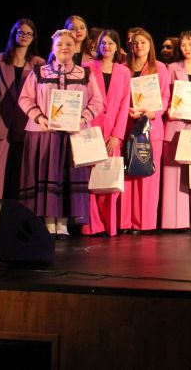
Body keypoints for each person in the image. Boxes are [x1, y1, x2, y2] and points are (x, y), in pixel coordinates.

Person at [18, 29, 104, 236]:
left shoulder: (84, 74)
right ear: (52, 48)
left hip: (73, 135)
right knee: (47, 175)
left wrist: (82, 118)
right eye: (60, 44)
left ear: (75, 48)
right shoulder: (39, 72)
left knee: (67, 177)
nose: (64, 47)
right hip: (44, 134)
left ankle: (63, 221)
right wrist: (40, 118)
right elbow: (25, 98)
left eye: (68, 44)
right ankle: (48, 219)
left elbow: (97, 101)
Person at [0, 19, 44, 199]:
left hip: (25, 123)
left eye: (29, 34)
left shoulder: (38, 63)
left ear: (33, 38)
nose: (25, 36)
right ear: (14, 34)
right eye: (21, 32)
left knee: (22, 173)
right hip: (0, 122)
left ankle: (19, 211)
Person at [82, 29, 131, 237]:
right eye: (103, 43)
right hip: (91, 130)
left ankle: (109, 225)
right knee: (90, 179)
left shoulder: (124, 72)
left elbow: (124, 105)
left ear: (117, 46)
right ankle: (92, 225)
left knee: (109, 179)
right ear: (97, 46)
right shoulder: (88, 68)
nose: (107, 46)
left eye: (111, 43)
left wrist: (117, 135)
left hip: (112, 132)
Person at [121, 28, 170, 234]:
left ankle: (145, 223)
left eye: (143, 42)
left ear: (150, 45)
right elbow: (120, 96)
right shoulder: (123, 68)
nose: (139, 46)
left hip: (151, 127)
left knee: (148, 175)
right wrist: (128, 110)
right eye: (135, 43)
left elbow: (165, 97)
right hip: (128, 125)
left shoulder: (159, 68)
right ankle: (126, 222)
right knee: (128, 173)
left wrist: (153, 113)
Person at [161, 31, 191, 231]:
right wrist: (169, 111)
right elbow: (165, 95)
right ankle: (174, 222)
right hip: (175, 125)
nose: (187, 48)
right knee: (173, 175)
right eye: (184, 45)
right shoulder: (171, 68)